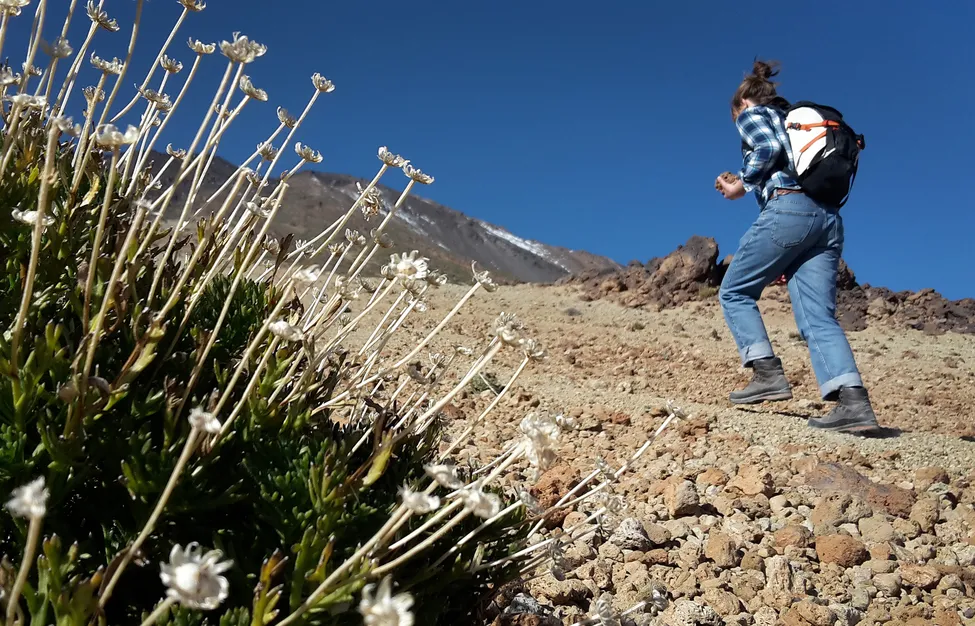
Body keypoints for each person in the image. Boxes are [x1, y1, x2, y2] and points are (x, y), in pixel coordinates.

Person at [714, 60, 881, 435]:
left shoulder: (753, 114)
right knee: (818, 318)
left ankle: (766, 373)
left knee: (734, 291)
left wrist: (740, 185)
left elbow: (767, 146)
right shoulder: (794, 121)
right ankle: (853, 403)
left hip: (790, 210)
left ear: (743, 102)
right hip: (828, 220)